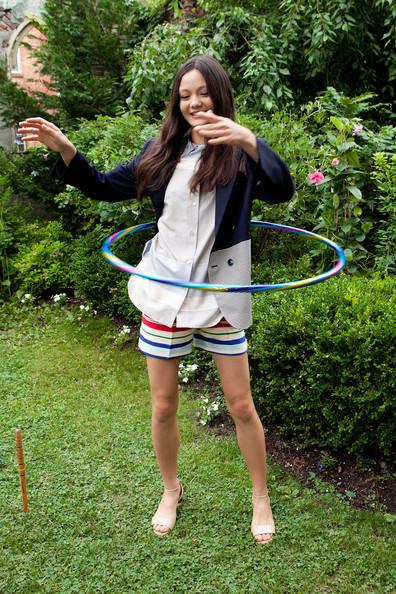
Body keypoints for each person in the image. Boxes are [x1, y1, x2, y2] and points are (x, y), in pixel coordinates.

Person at [18, 55, 294, 544]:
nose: (194, 102)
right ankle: (171, 489)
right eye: (185, 95)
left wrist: (251, 140)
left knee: (241, 405)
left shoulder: (239, 154)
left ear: (219, 95)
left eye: (202, 93)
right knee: (164, 406)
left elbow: (283, 190)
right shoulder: (162, 151)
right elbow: (104, 186)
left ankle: (260, 498)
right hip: (165, 293)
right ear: (176, 101)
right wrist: (66, 150)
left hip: (221, 297)